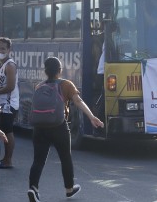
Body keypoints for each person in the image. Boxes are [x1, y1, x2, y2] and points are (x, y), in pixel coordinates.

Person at [28, 57, 104, 202]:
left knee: (38, 161)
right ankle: (69, 189)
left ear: (45, 71)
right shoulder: (66, 84)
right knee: (65, 158)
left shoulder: (39, 86)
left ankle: (33, 188)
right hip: (59, 126)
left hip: (39, 128)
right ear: (60, 71)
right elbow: (78, 101)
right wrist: (92, 117)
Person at [0, 37, 19, 169]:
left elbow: (10, 87)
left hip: (9, 104)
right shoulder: (0, 64)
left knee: (8, 131)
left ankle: (8, 161)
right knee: (4, 130)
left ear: (9, 50)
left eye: (3, 48)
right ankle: (5, 159)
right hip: (0, 104)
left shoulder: (10, 65)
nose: (0, 50)